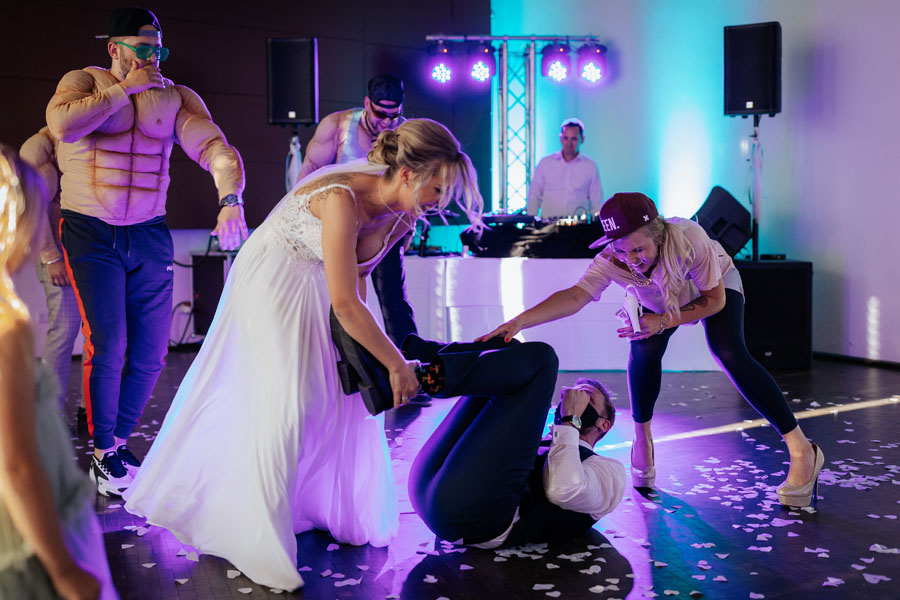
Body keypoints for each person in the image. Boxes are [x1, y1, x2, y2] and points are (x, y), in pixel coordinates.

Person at [124, 119, 483, 591]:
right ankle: (257, 536)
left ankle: (309, 506)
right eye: (437, 187)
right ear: (409, 174)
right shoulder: (340, 197)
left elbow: (356, 281)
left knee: (335, 398)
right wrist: (395, 363)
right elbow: (346, 301)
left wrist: (359, 350)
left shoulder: (405, 218)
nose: (441, 200)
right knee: (287, 404)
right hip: (274, 277)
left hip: (326, 286)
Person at [480, 192, 824, 508]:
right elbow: (574, 296)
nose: (631, 260)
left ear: (658, 236)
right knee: (642, 350)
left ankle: (801, 449)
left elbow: (715, 301)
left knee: (729, 351)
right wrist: (519, 322)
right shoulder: (612, 260)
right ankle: (642, 438)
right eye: (621, 251)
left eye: (639, 250)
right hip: (658, 299)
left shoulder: (691, 240)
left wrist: (663, 322)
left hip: (712, 287)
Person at [45, 7, 249, 497]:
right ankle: (100, 453)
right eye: (143, 49)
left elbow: (217, 150)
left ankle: (113, 441)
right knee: (108, 342)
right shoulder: (83, 81)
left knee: (154, 352)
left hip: (149, 231)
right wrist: (126, 89)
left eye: (159, 49)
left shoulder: (175, 97)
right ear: (114, 48)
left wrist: (230, 201)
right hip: (89, 229)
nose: (153, 57)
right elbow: (62, 128)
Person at [0, 145, 117, 599]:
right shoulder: (9, 328)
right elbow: (17, 464)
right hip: (34, 534)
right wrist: (64, 570)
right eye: (35, 217)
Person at [401, 335, 625, 547]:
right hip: (425, 488)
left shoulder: (609, 472)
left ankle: (423, 377)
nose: (573, 397)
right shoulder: (539, 442)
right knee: (510, 346)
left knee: (543, 358)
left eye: (586, 395)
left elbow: (562, 489)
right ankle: (404, 362)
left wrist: (569, 421)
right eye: (573, 394)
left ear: (604, 424)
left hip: (473, 519)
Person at [297, 74, 418, 348]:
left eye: (394, 116)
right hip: (338, 229)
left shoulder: (406, 134)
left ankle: (410, 361)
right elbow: (307, 178)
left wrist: (410, 226)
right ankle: (344, 362)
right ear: (367, 103)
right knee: (339, 301)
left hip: (382, 229)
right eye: (380, 114)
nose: (387, 123)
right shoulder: (337, 126)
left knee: (394, 300)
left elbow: (414, 187)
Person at [19, 127, 85, 426]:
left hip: (81, 248)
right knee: (65, 327)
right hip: (56, 252)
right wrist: (51, 257)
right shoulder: (41, 154)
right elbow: (33, 211)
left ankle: (91, 408)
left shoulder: (79, 141)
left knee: (97, 332)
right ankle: (48, 417)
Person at [526, 118, 602, 219]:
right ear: (561, 139)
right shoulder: (545, 163)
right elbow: (534, 197)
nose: (569, 143)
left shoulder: (590, 166)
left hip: (579, 229)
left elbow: (596, 202)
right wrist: (531, 222)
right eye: (566, 138)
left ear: (582, 139)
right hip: (548, 227)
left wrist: (596, 226)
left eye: (574, 139)